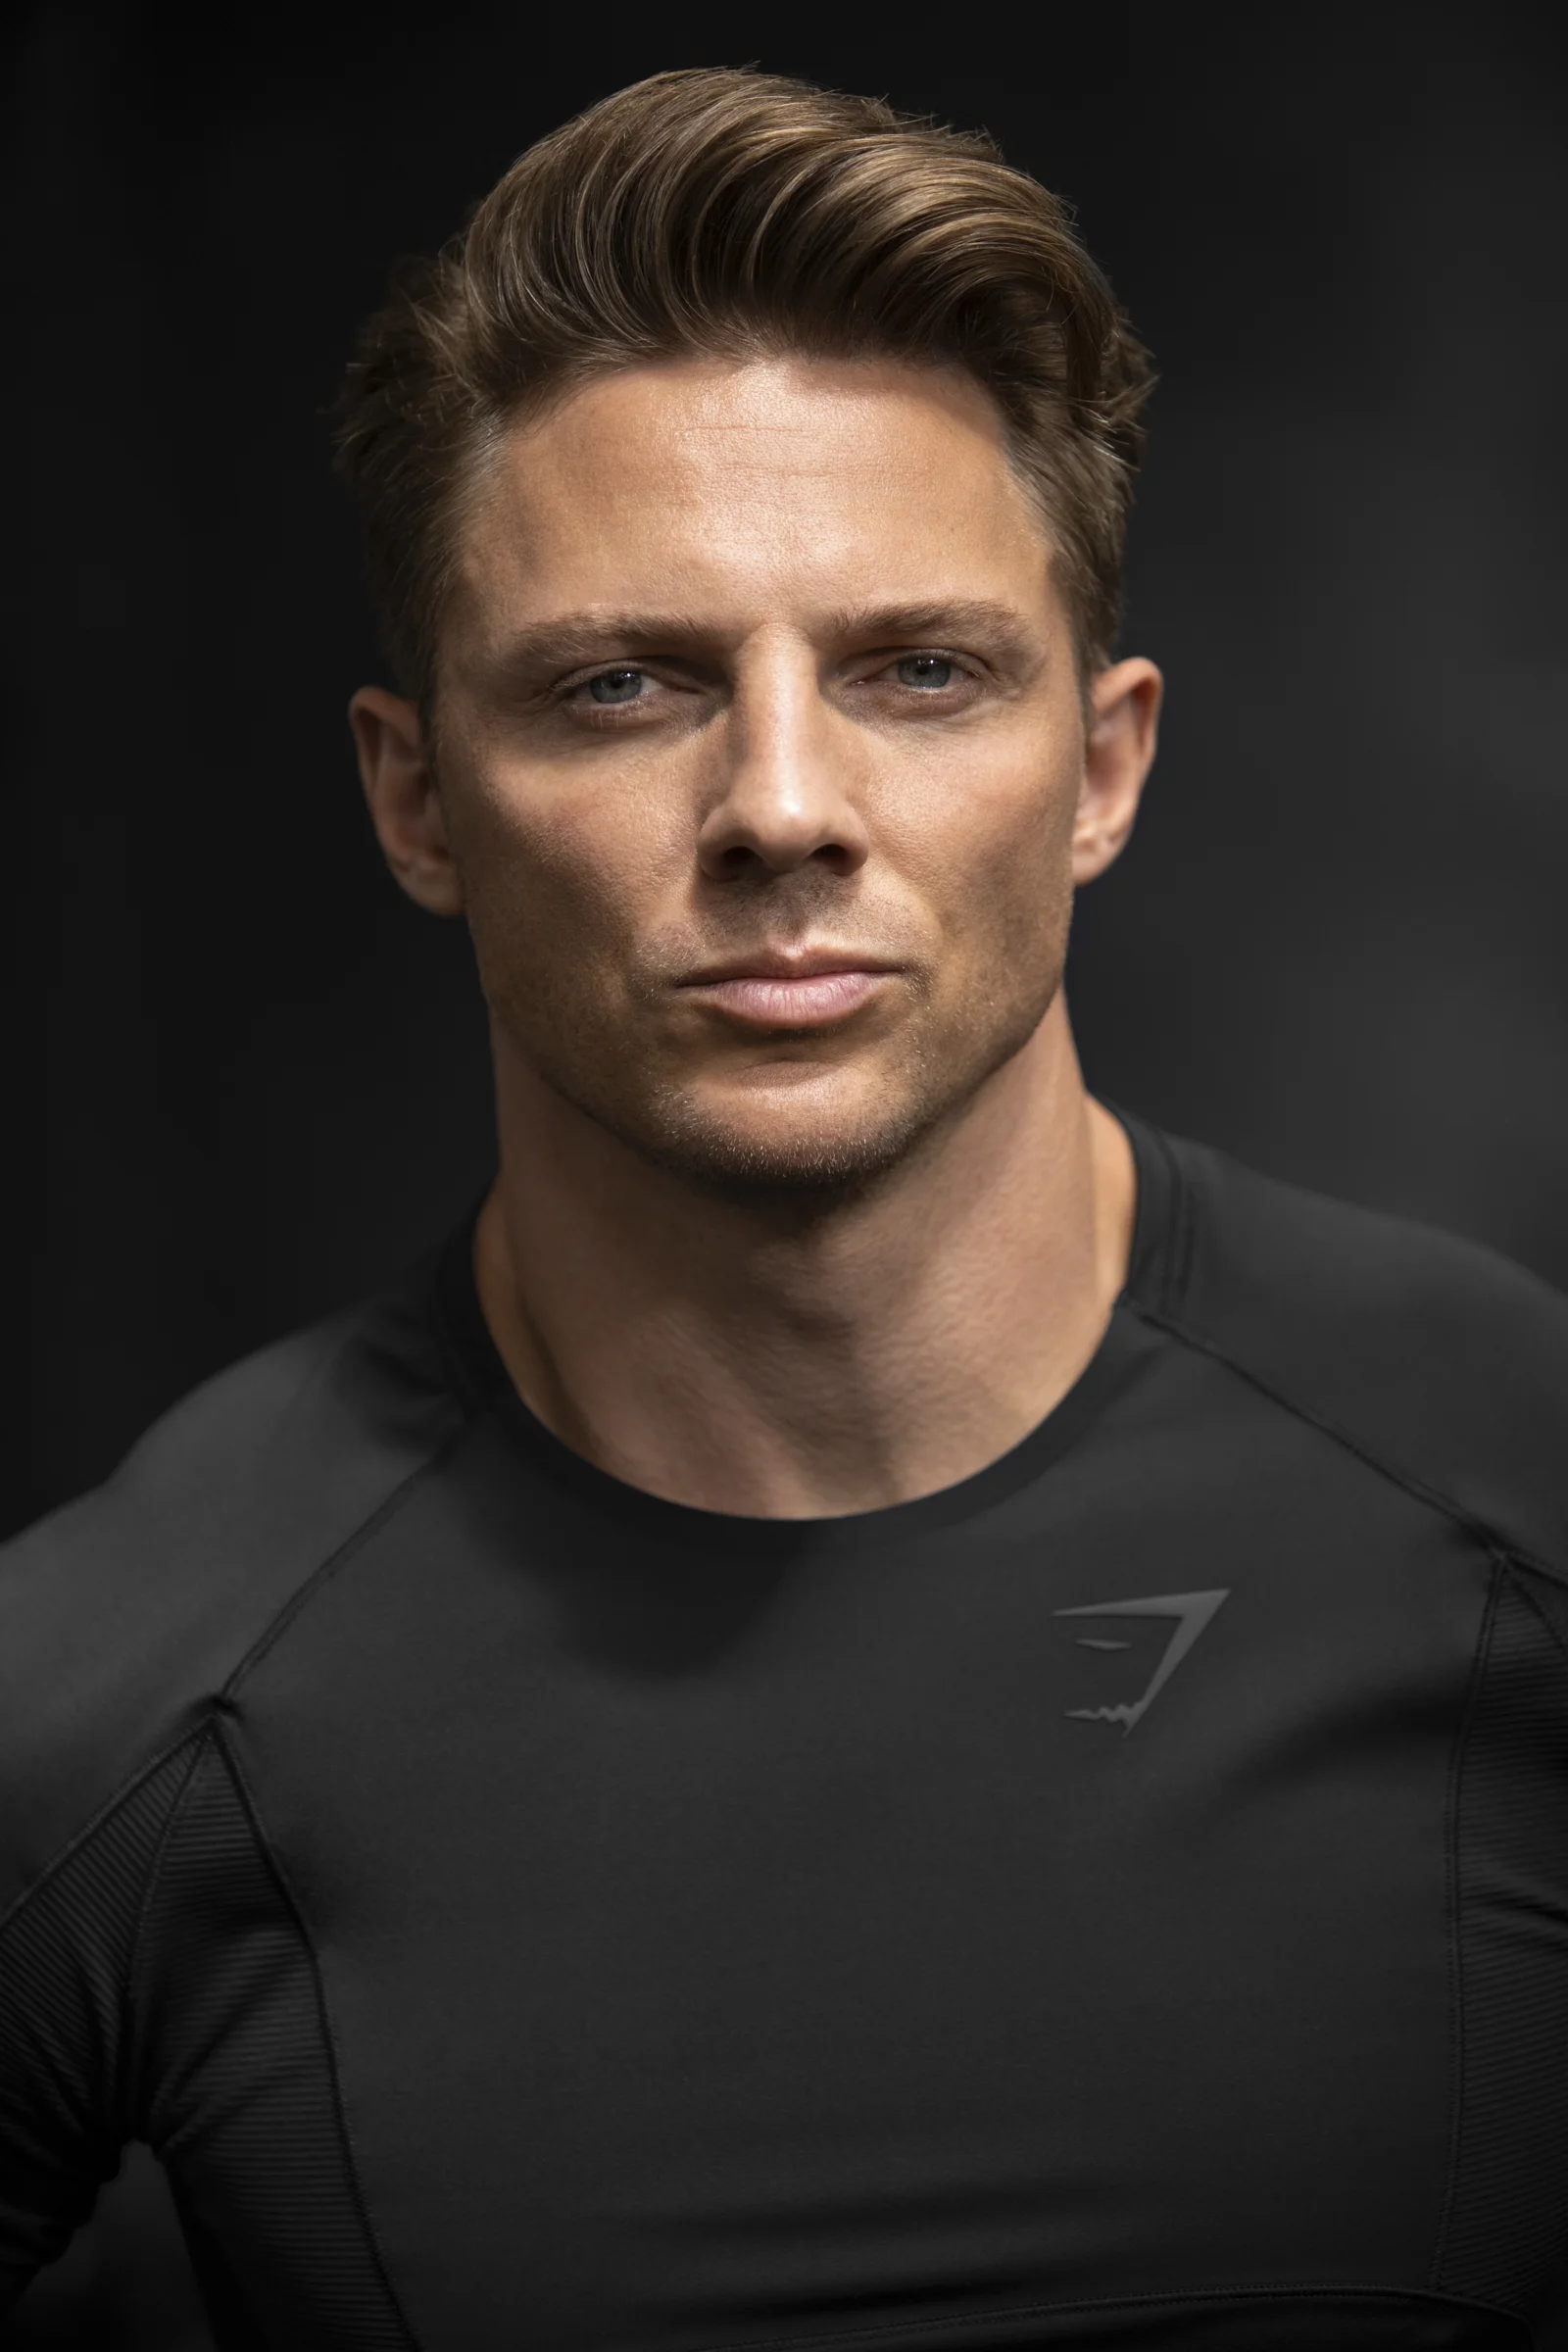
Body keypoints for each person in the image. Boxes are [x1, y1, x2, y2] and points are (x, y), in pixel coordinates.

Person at [3, 64, 1565, 2352]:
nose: (781, 806)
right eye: (622, 686)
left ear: (1102, 765)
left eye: (914, 671)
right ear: (415, 798)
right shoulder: (126, 1698)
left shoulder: (1510, 1490)